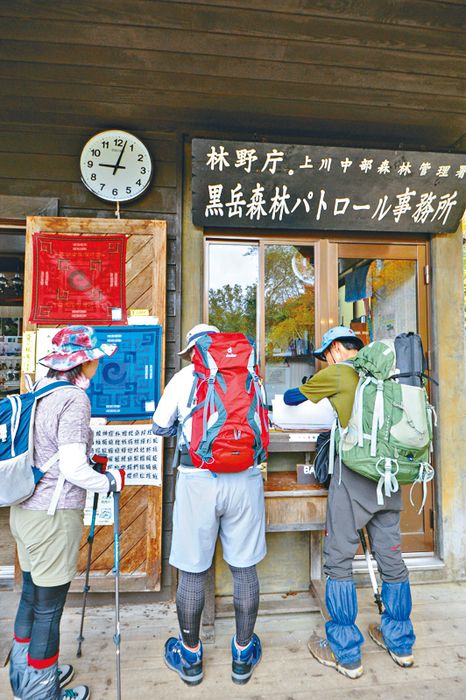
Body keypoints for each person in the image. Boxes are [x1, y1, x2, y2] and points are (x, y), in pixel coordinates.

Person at [284, 326, 416, 680]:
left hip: (353, 479)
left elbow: (294, 397)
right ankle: (400, 643)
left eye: (325, 354)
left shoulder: (340, 373)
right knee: (391, 556)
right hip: (389, 480)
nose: (325, 360)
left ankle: (346, 653)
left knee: (339, 561)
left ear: (337, 349)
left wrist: (296, 390)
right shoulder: (388, 376)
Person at [9, 326, 125, 700]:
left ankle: (24, 677)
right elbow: (74, 468)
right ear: (82, 361)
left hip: (24, 511)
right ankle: (42, 693)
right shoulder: (74, 400)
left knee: (31, 597)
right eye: (93, 357)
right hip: (53, 518)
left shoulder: (39, 392)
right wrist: (108, 480)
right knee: (49, 611)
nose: (96, 362)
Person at [152, 323, 266, 687]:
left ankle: (190, 659)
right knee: (244, 568)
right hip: (246, 479)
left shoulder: (185, 376)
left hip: (198, 478)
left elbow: (159, 423)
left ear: (192, 351)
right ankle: (243, 655)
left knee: (192, 571)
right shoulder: (251, 374)